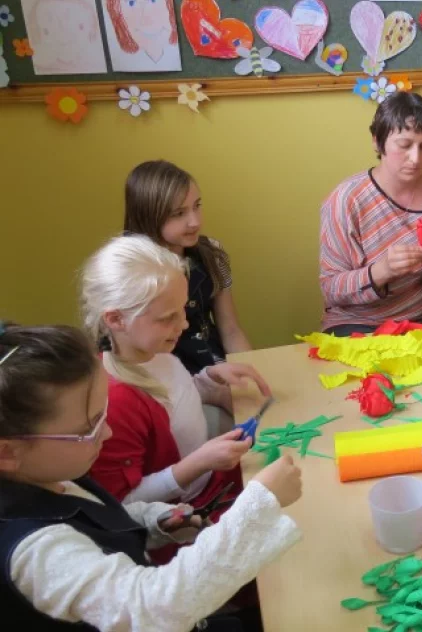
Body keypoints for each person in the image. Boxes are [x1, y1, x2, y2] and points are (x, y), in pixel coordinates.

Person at [0, 322, 303, 631]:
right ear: (7, 453)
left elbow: (97, 517)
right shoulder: (34, 553)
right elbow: (149, 610)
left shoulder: (46, 472)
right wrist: (259, 504)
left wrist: (153, 521)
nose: (108, 432)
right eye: (88, 428)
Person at [81, 235, 271, 551]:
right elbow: (124, 505)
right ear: (115, 319)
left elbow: (173, 399)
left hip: (215, 482)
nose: (183, 324)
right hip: (189, 522)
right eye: (168, 317)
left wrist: (209, 378)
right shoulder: (115, 403)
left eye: (183, 310)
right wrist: (197, 464)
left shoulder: (156, 352)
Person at [320, 92, 422, 336]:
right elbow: (330, 288)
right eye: (404, 145)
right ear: (377, 142)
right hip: (356, 324)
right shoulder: (347, 199)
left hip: (420, 321)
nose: (416, 158)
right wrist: (383, 270)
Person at [124, 160, 253, 376]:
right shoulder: (128, 272)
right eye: (179, 213)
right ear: (147, 215)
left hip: (215, 366)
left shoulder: (212, 254)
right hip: (165, 380)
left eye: (197, 206)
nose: (194, 221)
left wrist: (251, 371)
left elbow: (230, 329)